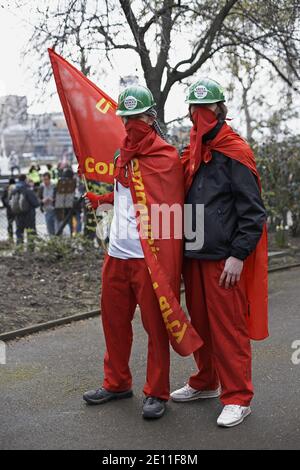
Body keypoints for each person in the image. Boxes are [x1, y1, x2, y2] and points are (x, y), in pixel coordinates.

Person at [83, 85, 193, 419]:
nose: (131, 124)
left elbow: (169, 208)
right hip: (117, 254)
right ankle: (116, 382)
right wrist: (102, 200)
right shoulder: (120, 155)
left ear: (151, 117)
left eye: (137, 117)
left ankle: (157, 392)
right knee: (114, 323)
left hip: (150, 260)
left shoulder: (166, 156)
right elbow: (126, 198)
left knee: (156, 327)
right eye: (126, 118)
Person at [171, 78, 268, 427]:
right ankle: (206, 381)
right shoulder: (191, 151)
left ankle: (238, 396)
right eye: (194, 110)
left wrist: (238, 254)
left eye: (205, 109)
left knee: (229, 328)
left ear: (219, 109)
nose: (199, 115)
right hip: (195, 253)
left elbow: (253, 212)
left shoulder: (234, 151)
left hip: (224, 258)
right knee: (201, 326)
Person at [10, 174, 40, 247]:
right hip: (29, 215)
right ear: (25, 180)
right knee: (30, 235)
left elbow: (10, 202)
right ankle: (30, 252)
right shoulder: (27, 190)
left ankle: (19, 251)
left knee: (19, 234)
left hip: (18, 215)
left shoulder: (14, 190)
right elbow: (36, 204)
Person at [39, 172, 56, 236]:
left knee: (56, 228)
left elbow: (58, 197)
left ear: (49, 179)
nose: (45, 181)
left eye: (46, 179)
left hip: (54, 209)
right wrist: (42, 201)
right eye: (43, 180)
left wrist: (53, 200)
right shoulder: (41, 187)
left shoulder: (54, 186)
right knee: (50, 229)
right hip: (47, 209)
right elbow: (38, 198)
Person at [1, 177, 16, 241]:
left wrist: (6, 205)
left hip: (9, 209)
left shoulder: (6, 188)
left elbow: (3, 198)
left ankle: (10, 237)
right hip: (17, 208)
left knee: (10, 223)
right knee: (19, 223)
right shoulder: (16, 187)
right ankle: (19, 237)